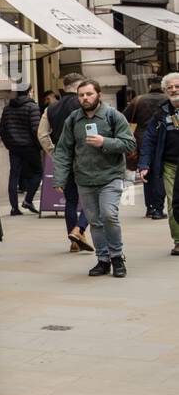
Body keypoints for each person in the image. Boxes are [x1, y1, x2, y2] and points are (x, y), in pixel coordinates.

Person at [52, 78, 136, 278]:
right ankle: (103, 260)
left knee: (109, 215)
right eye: (81, 95)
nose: (85, 98)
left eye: (89, 94)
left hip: (111, 176)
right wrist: (60, 178)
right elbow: (63, 150)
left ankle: (117, 257)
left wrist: (104, 142)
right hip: (84, 178)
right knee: (95, 221)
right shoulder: (73, 119)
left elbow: (129, 144)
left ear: (98, 94)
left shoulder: (113, 116)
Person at [39, 73, 93, 253]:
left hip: (65, 160)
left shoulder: (51, 108)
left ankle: (74, 240)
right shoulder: (85, 104)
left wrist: (54, 153)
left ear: (64, 86)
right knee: (91, 198)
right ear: (80, 87)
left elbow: (42, 135)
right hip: (86, 157)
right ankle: (80, 229)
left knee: (71, 200)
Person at [137, 72, 179, 255]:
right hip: (170, 165)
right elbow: (149, 140)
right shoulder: (160, 113)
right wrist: (144, 164)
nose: (174, 90)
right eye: (170, 87)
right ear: (164, 90)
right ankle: (178, 240)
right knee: (173, 204)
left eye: (177, 86)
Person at [127, 77, 170, 219]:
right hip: (165, 140)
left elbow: (124, 117)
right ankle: (158, 207)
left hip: (142, 140)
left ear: (149, 85)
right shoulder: (168, 99)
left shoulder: (138, 100)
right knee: (160, 174)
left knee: (146, 174)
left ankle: (150, 207)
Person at [0, 78, 42, 215]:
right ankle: (28, 200)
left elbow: (2, 129)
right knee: (38, 172)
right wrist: (39, 146)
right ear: (28, 91)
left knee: (14, 175)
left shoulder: (8, 108)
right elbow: (36, 129)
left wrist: (9, 144)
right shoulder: (32, 107)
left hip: (14, 147)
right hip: (29, 146)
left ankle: (14, 207)